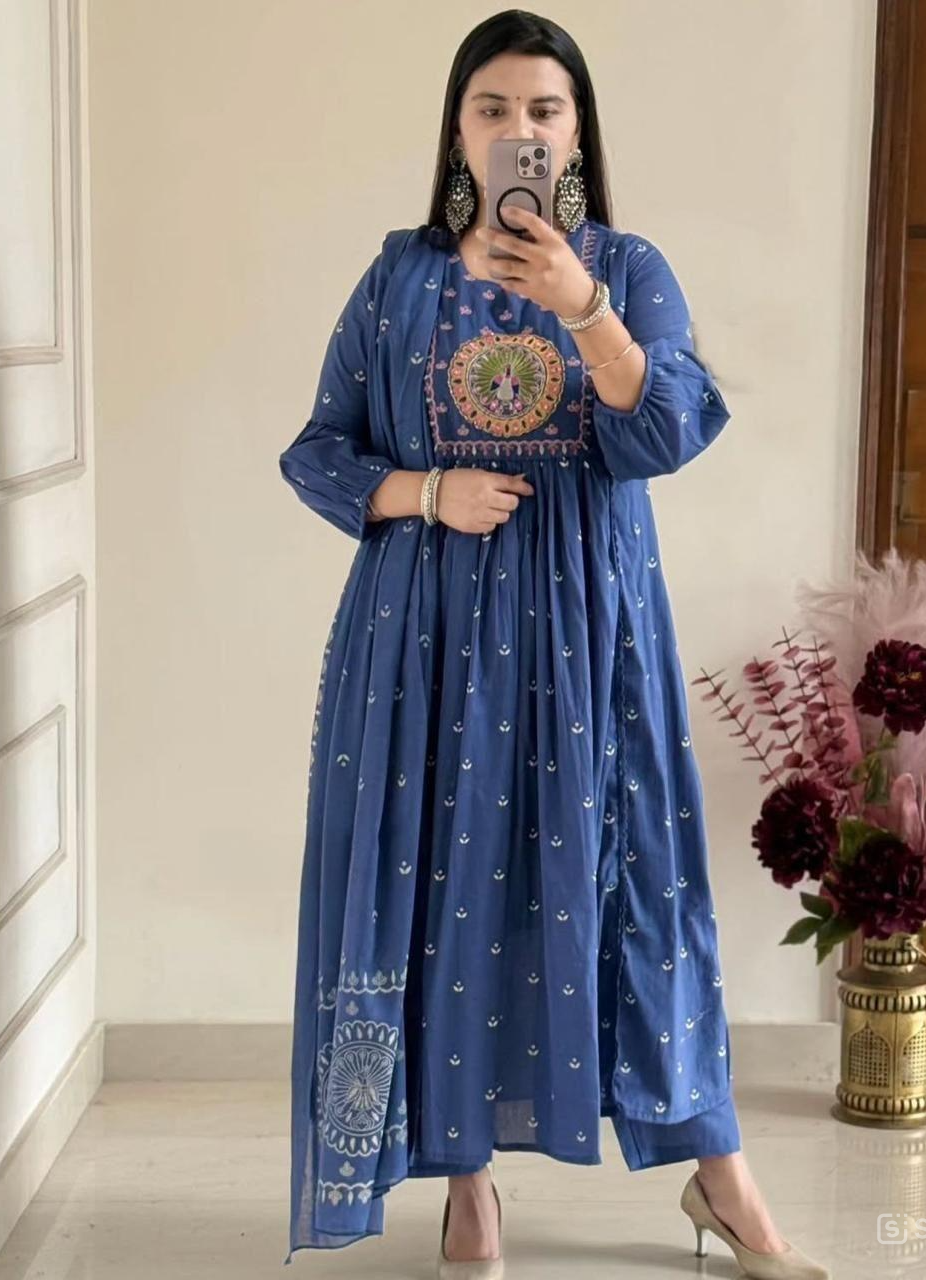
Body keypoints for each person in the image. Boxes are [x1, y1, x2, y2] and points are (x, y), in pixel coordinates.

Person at [278, 11, 830, 1280]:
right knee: (438, 889)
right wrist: (427, 491)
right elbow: (318, 450)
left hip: (591, 635)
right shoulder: (398, 281)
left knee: (640, 888)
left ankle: (718, 1174)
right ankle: (466, 1188)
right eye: (492, 108)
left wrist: (584, 309)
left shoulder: (626, 268)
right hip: (424, 640)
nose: (516, 129)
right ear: (455, 131)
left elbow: (669, 429)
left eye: (543, 110)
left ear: (574, 134)